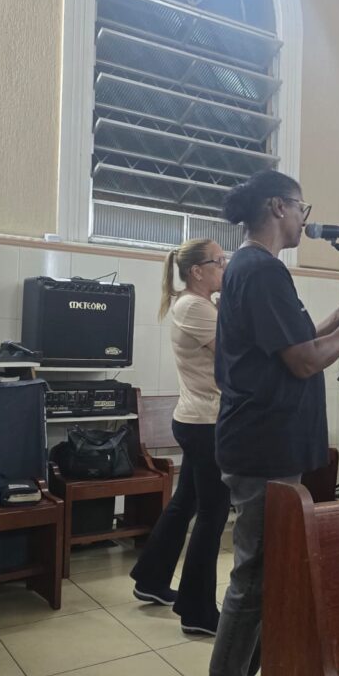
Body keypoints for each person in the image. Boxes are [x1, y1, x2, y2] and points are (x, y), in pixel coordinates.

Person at [191, 169, 339, 676]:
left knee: (266, 579)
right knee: (253, 583)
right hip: (262, 449)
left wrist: (338, 316)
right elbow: (303, 363)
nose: (306, 217)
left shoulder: (256, 269)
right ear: (279, 207)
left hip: (267, 444)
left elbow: (289, 346)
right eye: (303, 207)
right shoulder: (261, 270)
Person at [130, 238, 230, 636]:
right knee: (212, 514)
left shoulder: (202, 304)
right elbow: (233, 354)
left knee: (186, 501)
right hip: (205, 424)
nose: (225, 266)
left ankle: (151, 578)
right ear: (197, 271)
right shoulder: (194, 307)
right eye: (219, 261)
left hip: (199, 419)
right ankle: (197, 611)